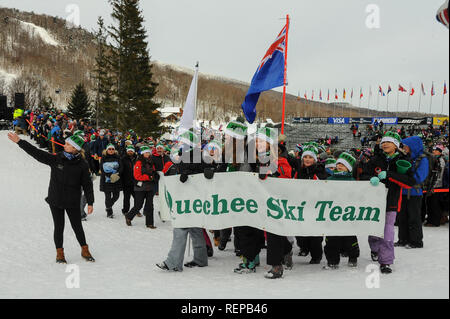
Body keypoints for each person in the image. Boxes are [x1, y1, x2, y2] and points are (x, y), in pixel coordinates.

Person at [7, 132, 95, 263]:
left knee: (77, 226)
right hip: (56, 199)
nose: (64, 145)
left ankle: (85, 249)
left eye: (67, 144)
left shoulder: (82, 164)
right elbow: (37, 153)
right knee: (59, 227)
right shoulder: (57, 158)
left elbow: (87, 185)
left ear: (75, 148)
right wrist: (20, 142)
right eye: (65, 143)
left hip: (72, 201)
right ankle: (60, 253)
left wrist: (90, 202)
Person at [362, 131, 416, 274]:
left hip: (391, 201)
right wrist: (371, 179)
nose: (385, 144)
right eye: (383, 141)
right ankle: (375, 249)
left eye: (389, 142)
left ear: (396, 145)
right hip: (373, 202)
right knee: (374, 229)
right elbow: (363, 175)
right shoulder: (375, 159)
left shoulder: (404, 160)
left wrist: (390, 175)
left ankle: (386, 261)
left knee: (387, 232)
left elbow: (410, 182)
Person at [324, 152, 360, 269]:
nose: (339, 166)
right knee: (331, 239)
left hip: (347, 215)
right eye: (338, 164)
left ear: (349, 169)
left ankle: (353, 257)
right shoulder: (329, 179)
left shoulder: (353, 181)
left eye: (342, 165)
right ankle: (332, 260)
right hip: (332, 214)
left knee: (350, 238)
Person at [294, 143, 327, 264]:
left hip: (315, 207)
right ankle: (304, 247)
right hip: (301, 206)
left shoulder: (320, 171)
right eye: (305, 157)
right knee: (300, 232)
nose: (307, 159)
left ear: (315, 159)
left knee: (315, 234)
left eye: (310, 157)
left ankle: (316, 255)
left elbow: (324, 186)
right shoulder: (299, 171)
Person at [396, 136, 430, 249]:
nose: (404, 148)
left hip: (415, 193)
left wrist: (406, 177)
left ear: (412, 147)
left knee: (414, 217)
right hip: (403, 192)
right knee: (402, 217)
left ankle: (416, 241)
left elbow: (420, 177)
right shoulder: (406, 157)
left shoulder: (423, 159)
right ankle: (403, 239)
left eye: (406, 146)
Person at [125, 145, 157, 228]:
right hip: (140, 187)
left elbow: (153, 171)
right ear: (142, 153)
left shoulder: (151, 161)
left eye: (148, 152)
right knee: (138, 205)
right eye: (146, 152)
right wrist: (148, 177)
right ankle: (129, 216)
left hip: (150, 187)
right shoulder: (138, 162)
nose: (148, 154)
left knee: (150, 206)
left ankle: (150, 223)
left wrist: (155, 175)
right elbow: (137, 176)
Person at [100, 144, 123, 218]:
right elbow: (101, 169)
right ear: (107, 150)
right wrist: (109, 175)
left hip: (116, 179)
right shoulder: (103, 158)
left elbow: (121, 167)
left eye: (112, 149)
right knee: (108, 196)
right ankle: (109, 211)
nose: (111, 150)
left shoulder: (118, 157)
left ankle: (108, 206)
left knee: (116, 195)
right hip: (106, 179)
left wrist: (117, 174)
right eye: (109, 149)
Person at [121, 145, 137, 216]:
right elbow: (121, 170)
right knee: (126, 198)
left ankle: (136, 210)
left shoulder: (137, 159)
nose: (130, 152)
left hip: (135, 181)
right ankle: (125, 210)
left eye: (131, 151)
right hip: (126, 181)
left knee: (137, 197)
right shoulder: (123, 159)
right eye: (129, 151)